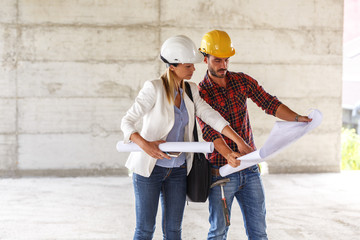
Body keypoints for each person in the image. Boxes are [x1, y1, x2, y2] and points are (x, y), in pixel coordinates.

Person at [121, 35, 252, 240]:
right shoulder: (153, 88)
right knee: (145, 229)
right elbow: (127, 122)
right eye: (188, 65)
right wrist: (146, 145)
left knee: (174, 231)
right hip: (150, 170)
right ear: (173, 66)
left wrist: (239, 141)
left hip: (178, 171)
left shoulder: (191, 90)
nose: (194, 70)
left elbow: (211, 117)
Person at [197, 30, 312, 240]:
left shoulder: (242, 81)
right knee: (218, 233)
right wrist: (230, 154)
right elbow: (209, 131)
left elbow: (269, 103)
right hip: (221, 172)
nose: (223, 65)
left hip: (249, 168)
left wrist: (296, 118)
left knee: (259, 233)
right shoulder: (200, 92)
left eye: (226, 60)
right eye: (217, 60)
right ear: (205, 59)